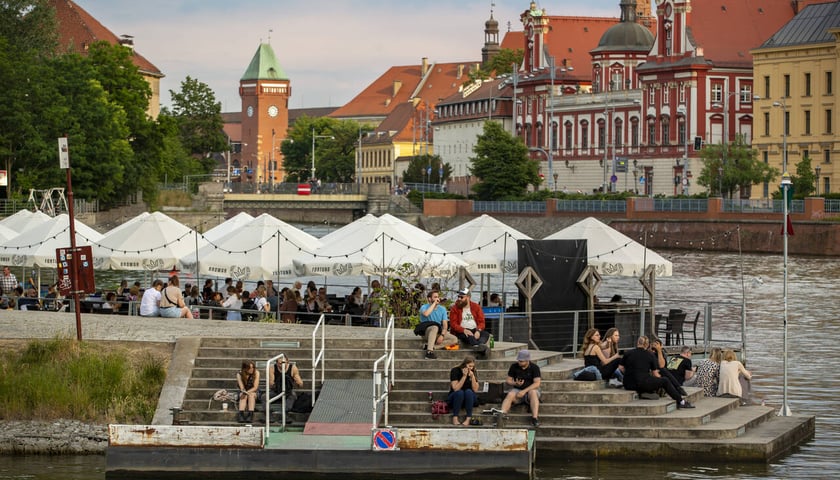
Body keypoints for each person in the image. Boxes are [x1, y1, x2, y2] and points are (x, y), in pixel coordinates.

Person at [620, 336, 694, 409]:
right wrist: (662, 384)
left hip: (627, 384)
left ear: (637, 343)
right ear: (647, 345)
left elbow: (621, 368)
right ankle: (681, 401)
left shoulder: (628, 353)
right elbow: (656, 374)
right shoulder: (650, 355)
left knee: (649, 380)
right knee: (665, 381)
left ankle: (647, 392)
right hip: (641, 383)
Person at [498, 350, 542, 427]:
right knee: (510, 394)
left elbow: (537, 383)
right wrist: (515, 383)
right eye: (519, 361)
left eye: (521, 361)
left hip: (530, 390)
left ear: (527, 360)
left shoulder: (534, 368)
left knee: (533, 393)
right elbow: (508, 380)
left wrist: (524, 391)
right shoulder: (514, 366)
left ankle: (535, 418)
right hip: (517, 390)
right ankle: (502, 415)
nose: (519, 362)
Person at [416, 290, 457, 359]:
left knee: (454, 339)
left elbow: (445, 324)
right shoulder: (424, 307)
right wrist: (434, 304)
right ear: (429, 299)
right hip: (426, 331)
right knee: (434, 327)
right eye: (435, 297)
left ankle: (431, 346)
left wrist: (442, 335)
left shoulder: (442, 309)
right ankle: (429, 352)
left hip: (438, 332)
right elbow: (426, 314)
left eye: (438, 297)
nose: (437, 299)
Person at [448, 288, 490, 355]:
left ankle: (479, 345)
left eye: (461, 297)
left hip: (475, 329)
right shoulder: (455, 308)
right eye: (458, 297)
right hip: (461, 331)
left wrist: (478, 331)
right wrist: (463, 330)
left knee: (485, 334)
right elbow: (453, 324)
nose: (459, 299)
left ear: (468, 297)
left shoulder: (476, 307)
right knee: (469, 335)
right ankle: (481, 348)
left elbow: (482, 322)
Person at [448, 355, 479, 426]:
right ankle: (455, 417)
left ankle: (468, 418)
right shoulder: (455, 370)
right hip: (456, 396)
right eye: (469, 366)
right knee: (460, 392)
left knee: (468, 392)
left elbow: (475, 389)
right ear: (465, 364)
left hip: (469, 397)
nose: (470, 368)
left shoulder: (473, 371)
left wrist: (473, 377)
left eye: (472, 366)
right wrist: (464, 376)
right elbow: (455, 388)